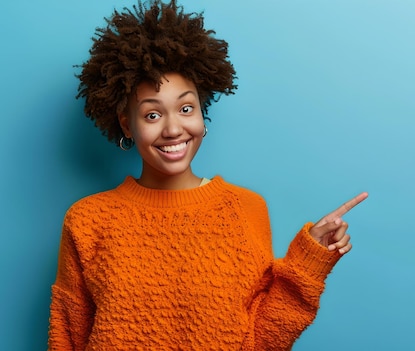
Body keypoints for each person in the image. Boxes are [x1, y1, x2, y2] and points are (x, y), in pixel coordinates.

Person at [47, 1, 368, 350]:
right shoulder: (87, 220)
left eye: (186, 109)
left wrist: (309, 261)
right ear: (128, 124)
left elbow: (263, 339)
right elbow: (67, 336)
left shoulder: (246, 209)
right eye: (152, 115)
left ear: (203, 113)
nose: (173, 129)